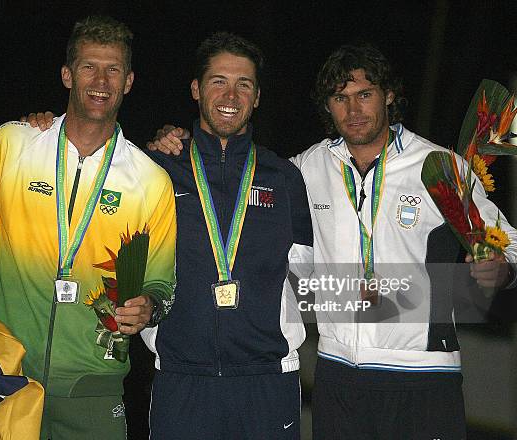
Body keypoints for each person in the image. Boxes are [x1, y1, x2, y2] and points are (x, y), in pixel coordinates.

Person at [146, 43, 517, 439]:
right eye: (340, 98)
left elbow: (513, 241)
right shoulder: (305, 170)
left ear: (390, 96)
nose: (354, 110)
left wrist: (502, 268)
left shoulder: (438, 166)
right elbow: (241, 173)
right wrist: (170, 140)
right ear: (327, 107)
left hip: (423, 373)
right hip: (337, 373)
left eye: (365, 95)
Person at [26, 32, 313, 439]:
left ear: (258, 96)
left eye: (243, 84)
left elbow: (308, 279)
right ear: (196, 89)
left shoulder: (284, 178)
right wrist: (40, 130)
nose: (230, 94)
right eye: (218, 81)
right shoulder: (156, 169)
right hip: (181, 379)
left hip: (267, 380)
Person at [0, 15, 177, 439]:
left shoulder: (150, 180)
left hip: (93, 392)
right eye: (88, 66)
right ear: (67, 75)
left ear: (129, 81)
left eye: (113, 69)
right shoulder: (12, 143)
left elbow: (162, 282)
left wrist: (150, 306)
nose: (100, 80)